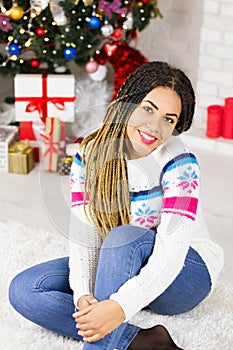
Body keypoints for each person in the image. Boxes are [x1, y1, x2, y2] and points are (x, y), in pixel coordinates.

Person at [9, 61, 224, 350]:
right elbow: (84, 234)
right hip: (123, 261)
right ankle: (144, 340)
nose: (155, 126)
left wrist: (119, 307)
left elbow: (170, 256)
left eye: (168, 119)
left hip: (186, 275)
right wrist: (83, 293)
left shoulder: (178, 162)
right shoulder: (89, 153)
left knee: (123, 235)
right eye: (148, 108)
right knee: (26, 289)